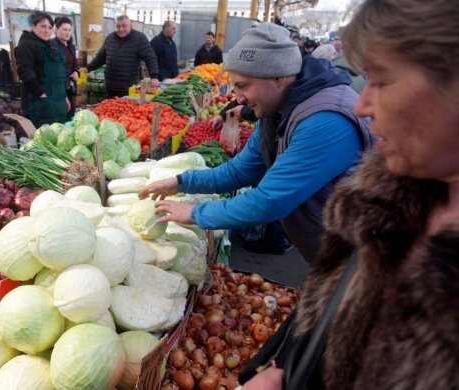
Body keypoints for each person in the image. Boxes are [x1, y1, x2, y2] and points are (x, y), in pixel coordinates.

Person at [240, 0, 459, 388]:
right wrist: (284, 371)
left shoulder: (326, 121)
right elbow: (332, 316)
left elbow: (271, 198)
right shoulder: (388, 196)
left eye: (382, 81)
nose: (363, 104)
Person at [139, 22, 373, 264]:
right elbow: (241, 170)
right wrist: (180, 182)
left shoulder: (326, 120)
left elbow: (269, 200)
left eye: (243, 86)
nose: (237, 98)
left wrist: (195, 213)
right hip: (329, 255)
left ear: (279, 77)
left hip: (363, 263)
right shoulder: (277, 109)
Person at [81, 15, 159, 98]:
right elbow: (100, 58)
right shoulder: (110, 38)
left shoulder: (139, 38)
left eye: (124, 26)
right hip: (110, 85)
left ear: (130, 25)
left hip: (129, 87)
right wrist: (87, 68)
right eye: (118, 26)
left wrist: (154, 76)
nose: (121, 29)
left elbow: (150, 58)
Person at [15, 11, 70, 128]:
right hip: (39, 104)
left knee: (60, 137)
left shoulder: (51, 46)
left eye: (50, 27)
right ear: (33, 26)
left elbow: (59, 75)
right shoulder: (26, 45)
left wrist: (64, 97)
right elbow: (25, 73)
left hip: (58, 103)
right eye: (43, 26)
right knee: (42, 138)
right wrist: (42, 95)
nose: (47, 31)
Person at [54, 16, 79, 120]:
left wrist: (76, 72)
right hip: (58, 87)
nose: (67, 32)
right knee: (61, 115)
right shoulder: (52, 46)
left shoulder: (70, 46)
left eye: (69, 30)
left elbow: (74, 65)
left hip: (69, 86)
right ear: (56, 29)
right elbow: (54, 69)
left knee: (70, 115)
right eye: (64, 29)